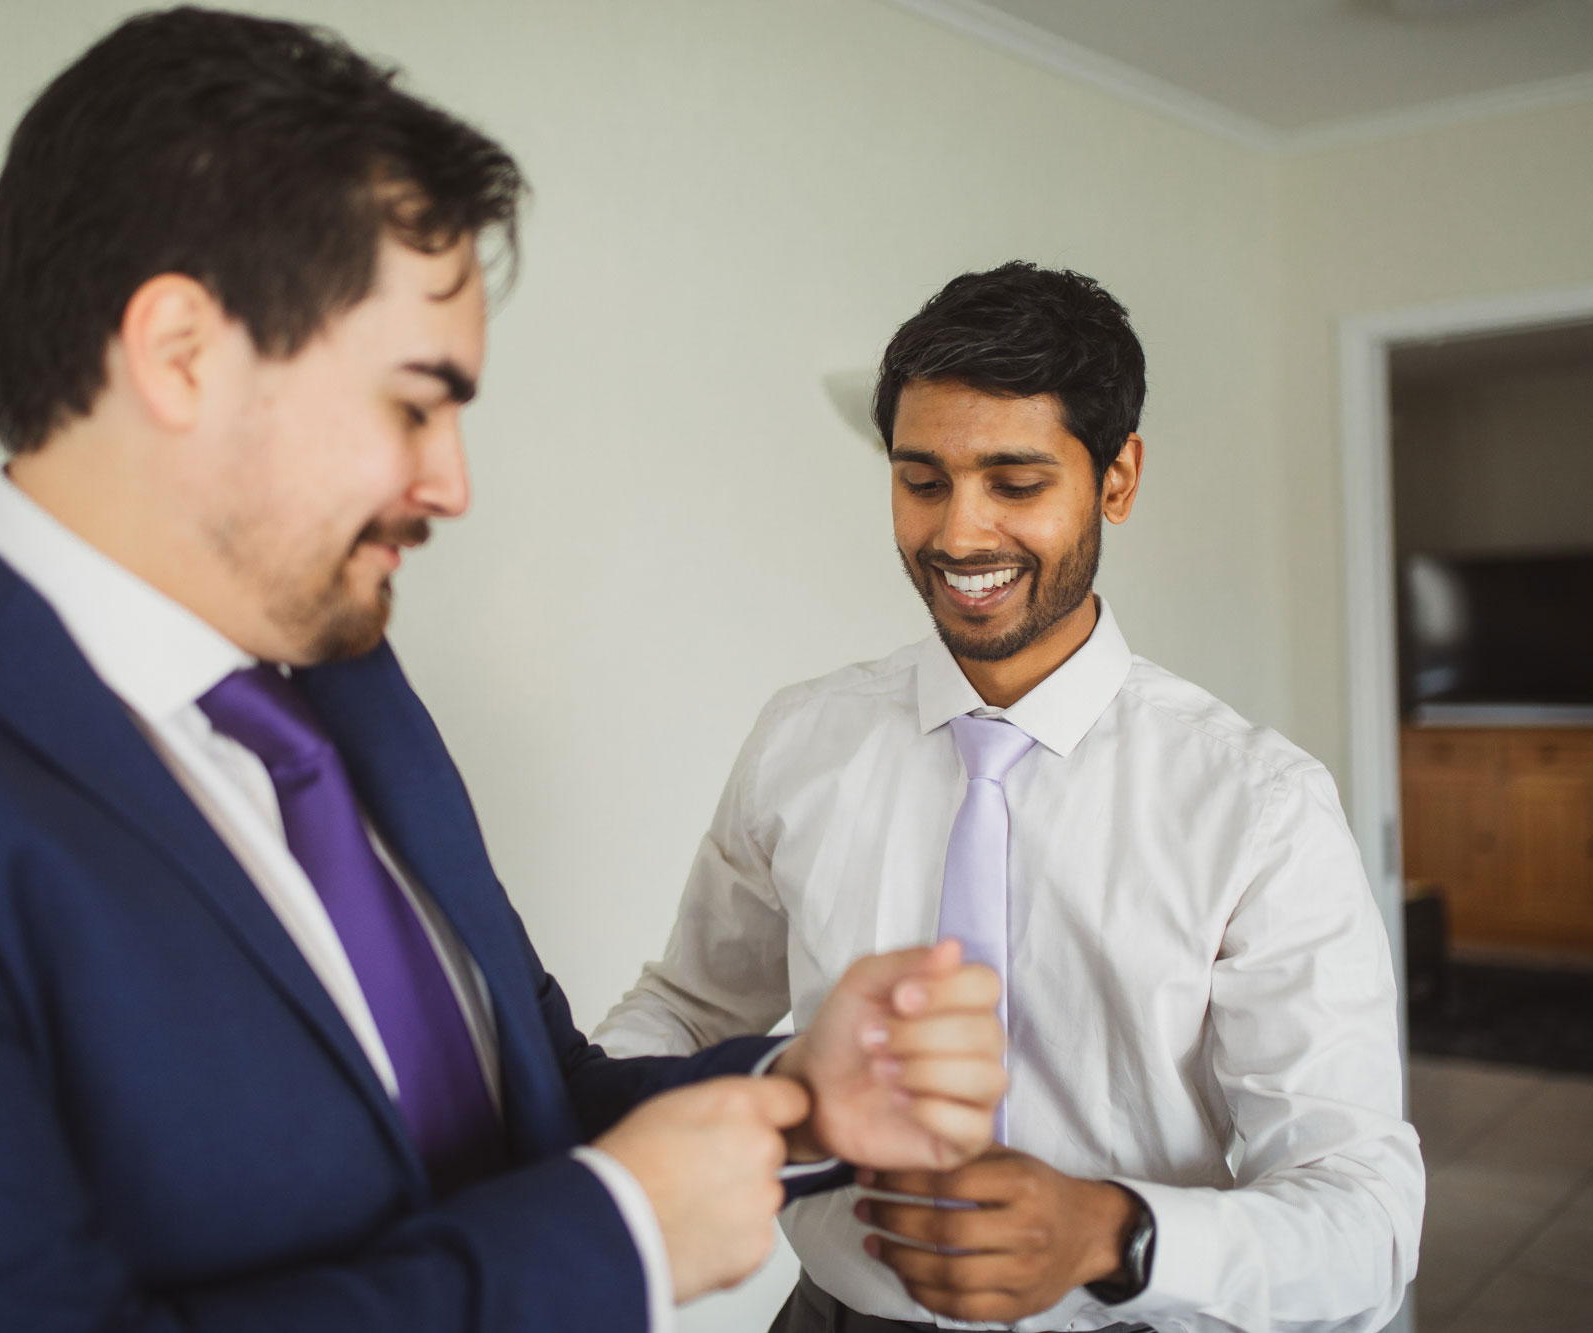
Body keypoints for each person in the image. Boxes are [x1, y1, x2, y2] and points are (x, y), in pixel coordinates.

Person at [0, 11, 1011, 1332]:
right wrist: (611, 1236)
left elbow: (529, 1093)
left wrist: (800, 1091)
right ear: (180, 355)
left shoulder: (351, 692)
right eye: (413, 402)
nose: (451, 482)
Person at [594, 264, 1427, 1333]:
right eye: (921, 479)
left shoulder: (1257, 806)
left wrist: (1108, 1235)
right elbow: (694, 1007)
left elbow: (1361, 1212)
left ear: (1115, 478)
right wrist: (571, 1144)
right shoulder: (801, 739)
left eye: (1014, 482)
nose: (958, 535)